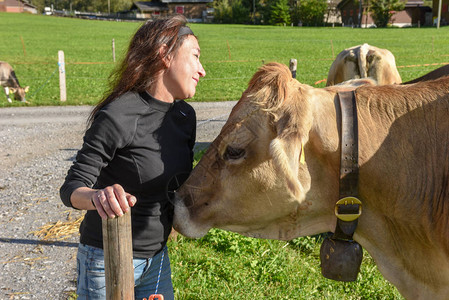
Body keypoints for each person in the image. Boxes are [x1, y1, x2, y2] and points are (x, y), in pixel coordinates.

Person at [59, 14, 206, 300]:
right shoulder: (119, 115)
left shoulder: (185, 116)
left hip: (158, 260)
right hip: (106, 260)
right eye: (196, 56)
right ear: (165, 55)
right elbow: (71, 189)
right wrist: (98, 196)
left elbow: (178, 189)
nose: (202, 70)